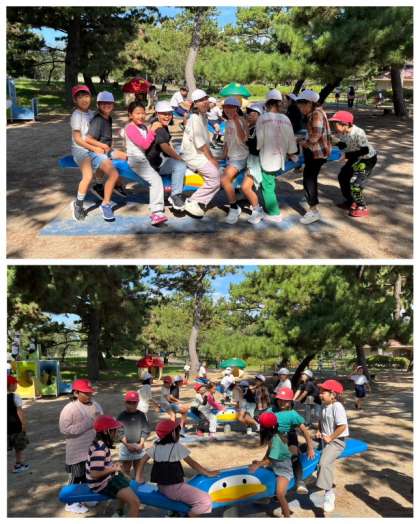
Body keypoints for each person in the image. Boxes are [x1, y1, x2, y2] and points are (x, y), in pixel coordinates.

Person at [136, 419, 218, 517]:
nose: (179, 434)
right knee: (205, 501)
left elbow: (142, 461)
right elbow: (192, 463)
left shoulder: (155, 447)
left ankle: (175, 512)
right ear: (173, 434)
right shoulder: (177, 447)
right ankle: (190, 515)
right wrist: (207, 473)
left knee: (188, 483)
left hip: (162, 487)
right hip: (174, 489)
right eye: (178, 432)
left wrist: (138, 478)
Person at [69, 85, 119, 222]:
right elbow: (78, 139)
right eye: (80, 97)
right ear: (75, 100)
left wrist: (103, 145)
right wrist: (94, 147)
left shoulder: (91, 113)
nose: (84, 99)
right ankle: (78, 204)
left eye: (86, 96)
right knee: (88, 175)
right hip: (80, 149)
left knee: (108, 167)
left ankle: (98, 186)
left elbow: (100, 127)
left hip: (93, 148)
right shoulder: (76, 115)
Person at [59, 379, 103, 514]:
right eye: (86, 393)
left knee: (88, 474)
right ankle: (70, 502)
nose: (89, 395)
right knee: (76, 476)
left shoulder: (95, 404)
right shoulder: (69, 408)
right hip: (76, 451)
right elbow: (64, 429)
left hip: (91, 448)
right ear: (76, 393)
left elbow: (100, 420)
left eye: (90, 393)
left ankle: (85, 496)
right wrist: (88, 423)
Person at [257, 89, 299, 222]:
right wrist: (291, 153)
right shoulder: (285, 119)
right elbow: (291, 139)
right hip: (280, 157)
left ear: (268, 104)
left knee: (267, 185)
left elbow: (259, 141)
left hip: (267, 156)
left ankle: (274, 213)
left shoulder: (263, 118)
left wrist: (256, 148)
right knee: (270, 182)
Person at [86, 415, 141, 517]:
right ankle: (122, 511)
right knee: (135, 502)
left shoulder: (100, 444)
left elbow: (100, 465)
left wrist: (112, 466)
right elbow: (94, 473)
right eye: (114, 430)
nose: (115, 433)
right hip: (101, 484)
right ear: (106, 432)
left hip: (105, 479)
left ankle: (119, 512)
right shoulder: (99, 449)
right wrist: (113, 469)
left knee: (124, 481)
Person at [124, 100, 168, 225]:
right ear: (130, 115)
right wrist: (152, 130)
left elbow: (149, 139)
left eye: (143, 113)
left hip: (144, 159)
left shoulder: (143, 127)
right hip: (137, 160)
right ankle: (156, 212)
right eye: (137, 113)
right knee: (156, 180)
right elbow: (144, 144)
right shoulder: (130, 128)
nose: (141, 116)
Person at [181, 89, 221, 218]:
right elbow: (201, 144)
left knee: (219, 172)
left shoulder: (203, 116)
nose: (204, 102)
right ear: (195, 104)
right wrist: (211, 159)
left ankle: (201, 201)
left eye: (205, 99)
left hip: (199, 154)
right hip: (194, 156)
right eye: (200, 101)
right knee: (215, 177)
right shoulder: (195, 118)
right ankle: (193, 200)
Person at [268, 387, 315, 495]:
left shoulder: (293, 414)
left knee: (294, 457)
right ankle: (273, 492)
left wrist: (310, 447)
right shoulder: (272, 410)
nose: (282, 402)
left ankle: (300, 482)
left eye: (285, 400)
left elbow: (305, 431)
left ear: (290, 402)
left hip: (290, 436)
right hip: (276, 439)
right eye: (280, 400)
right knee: (274, 461)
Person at [329, 110, 377, 218]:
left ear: (345, 124)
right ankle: (351, 201)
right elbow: (344, 145)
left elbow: (364, 150)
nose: (333, 126)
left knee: (355, 184)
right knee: (343, 176)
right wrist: (334, 142)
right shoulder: (342, 132)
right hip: (355, 158)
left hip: (367, 160)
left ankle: (362, 207)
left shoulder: (358, 133)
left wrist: (346, 156)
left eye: (335, 124)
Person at [296, 89, 332, 225]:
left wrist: (303, 142)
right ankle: (313, 207)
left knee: (309, 180)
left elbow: (315, 136)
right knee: (310, 179)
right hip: (317, 152)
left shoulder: (316, 114)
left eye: (302, 106)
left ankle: (313, 211)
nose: (301, 109)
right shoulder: (317, 112)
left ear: (310, 103)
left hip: (316, 153)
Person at [85, 91, 128, 206]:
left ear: (113, 105)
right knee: (111, 165)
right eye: (103, 103)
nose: (106, 105)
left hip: (106, 150)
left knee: (125, 157)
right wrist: (103, 146)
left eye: (109, 103)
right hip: (96, 151)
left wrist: (108, 147)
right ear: (98, 105)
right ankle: (101, 186)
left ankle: (116, 184)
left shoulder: (108, 118)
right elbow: (88, 139)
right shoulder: (98, 120)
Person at [248, 412, 294, 517]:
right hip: (275, 467)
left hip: (284, 472)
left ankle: (286, 515)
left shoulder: (276, 440)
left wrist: (259, 464)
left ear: (266, 429)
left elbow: (270, 460)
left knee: (280, 494)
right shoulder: (273, 437)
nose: (259, 428)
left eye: (261, 426)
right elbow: (268, 453)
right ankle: (264, 498)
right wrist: (260, 462)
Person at [146, 100, 187, 211]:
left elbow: (167, 145)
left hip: (158, 160)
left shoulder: (159, 124)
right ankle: (175, 195)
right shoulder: (158, 128)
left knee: (180, 151)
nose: (167, 116)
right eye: (164, 114)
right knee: (180, 165)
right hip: (155, 166)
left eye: (169, 114)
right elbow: (164, 147)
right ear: (157, 114)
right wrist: (179, 158)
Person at [315, 380, 348, 513]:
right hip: (325, 440)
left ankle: (329, 494)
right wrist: (318, 430)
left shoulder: (337, 406)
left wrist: (331, 437)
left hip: (337, 442)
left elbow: (342, 426)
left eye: (323, 392)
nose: (320, 394)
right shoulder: (324, 406)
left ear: (333, 394)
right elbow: (321, 420)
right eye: (320, 392)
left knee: (324, 464)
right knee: (306, 451)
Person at [220, 96, 249, 224]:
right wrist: (223, 156)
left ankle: (234, 208)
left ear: (237, 108)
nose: (227, 110)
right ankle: (238, 195)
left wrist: (236, 121)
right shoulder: (227, 122)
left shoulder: (242, 121)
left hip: (241, 157)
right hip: (231, 157)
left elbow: (244, 139)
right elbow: (226, 141)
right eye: (226, 107)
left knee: (224, 179)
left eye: (231, 107)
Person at [117, 391, 150, 489]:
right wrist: (127, 445)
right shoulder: (121, 416)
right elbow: (119, 432)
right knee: (126, 469)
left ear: (138, 402)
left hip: (139, 445)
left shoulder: (141, 415)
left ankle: (137, 486)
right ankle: (127, 486)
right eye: (129, 402)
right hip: (126, 446)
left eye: (134, 402)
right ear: (125, 402)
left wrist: (141, 444)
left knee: (138, 468)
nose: (131, 405)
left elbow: (145, 430)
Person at [242, 103, 265, 224]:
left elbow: (255, 147)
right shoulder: (252, 128)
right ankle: (254, 206)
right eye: (249, 114)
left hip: (256, 161)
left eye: (253, 114)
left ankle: (257, 210)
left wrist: (246, 139)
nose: (249, 116)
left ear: (260, 116)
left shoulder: (259, 129)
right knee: (247, 187)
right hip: (251, 160)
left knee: (245, 187)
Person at [7, 375, 30, 474]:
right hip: (16, 426)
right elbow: (19, 411)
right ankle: (18, 465)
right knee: (18, 447)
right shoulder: (15, 396)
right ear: (11, 385)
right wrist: (23, 424)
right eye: (16, 384)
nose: (17, 386)